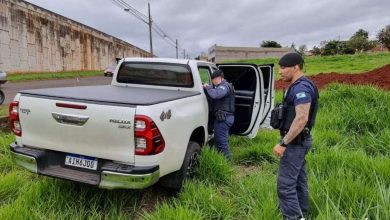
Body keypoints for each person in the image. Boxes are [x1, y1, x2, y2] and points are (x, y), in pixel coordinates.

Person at [272, 52, 319, 220]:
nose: (280, 71)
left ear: (296, 67)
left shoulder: (301, 88)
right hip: (298, 141)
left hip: (295, 143)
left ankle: (293, 217)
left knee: (285, 186)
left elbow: (301, 118)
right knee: (299, 181)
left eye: (283, 68)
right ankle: (302, 214)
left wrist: (283, 143)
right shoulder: (298, 85)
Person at [203, 70, 235, 161]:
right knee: (220, 141)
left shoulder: (224, 86)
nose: (212, 81)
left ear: (218, 78)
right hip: (224, 118)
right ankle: (222, 160)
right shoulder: (222, 86)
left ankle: (227, 164)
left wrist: (207, 87)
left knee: (221, 142)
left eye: (213, 79)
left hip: (224, 119)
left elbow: (216, 95)